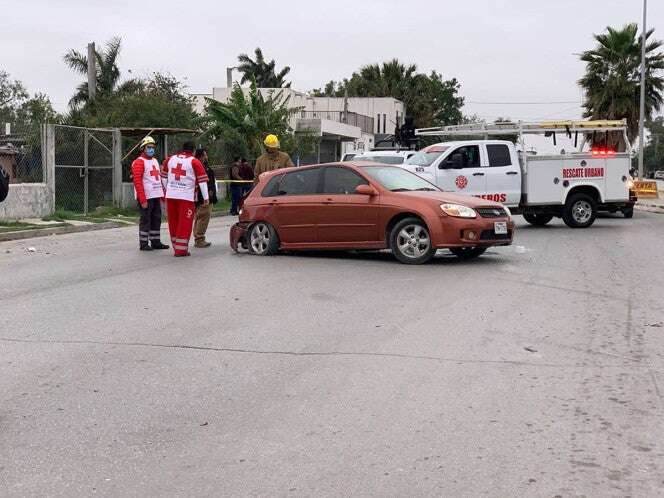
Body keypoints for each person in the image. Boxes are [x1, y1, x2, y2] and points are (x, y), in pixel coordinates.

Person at [161, 141, 209, 257]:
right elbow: (202, 181)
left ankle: (176, 246)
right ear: (193, 150)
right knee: (185, 223)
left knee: (173, 222)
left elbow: (163, 177)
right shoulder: (194, 161)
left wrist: (167, 189)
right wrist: (206, 198)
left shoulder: (170, 159)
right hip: (186, 197)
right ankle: (181, 250)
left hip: (171, 196)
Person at [131, 136, 168, 251]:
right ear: (143, 148)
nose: (151, 149)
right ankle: (143, 243)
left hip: (156, 195)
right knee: (145, 220)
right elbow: (137, 181)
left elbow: (158, 179)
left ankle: (156, 241)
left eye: (153, 147)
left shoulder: (155, 161)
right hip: (146, 197)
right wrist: (142, 200)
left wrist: (162, 195)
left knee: (156, 219)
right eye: (149, 147)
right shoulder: (139, 162)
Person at [193, 147, 217, 248]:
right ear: (201, 156)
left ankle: (198, 237)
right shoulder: (199, 167)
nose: (206, 157)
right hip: (203, 196)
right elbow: (204, 183)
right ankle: (199, 238)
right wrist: (209, 196)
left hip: (204, 196)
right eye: (205, 155)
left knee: (199, 217)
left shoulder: (204, 166)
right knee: (203, 217)